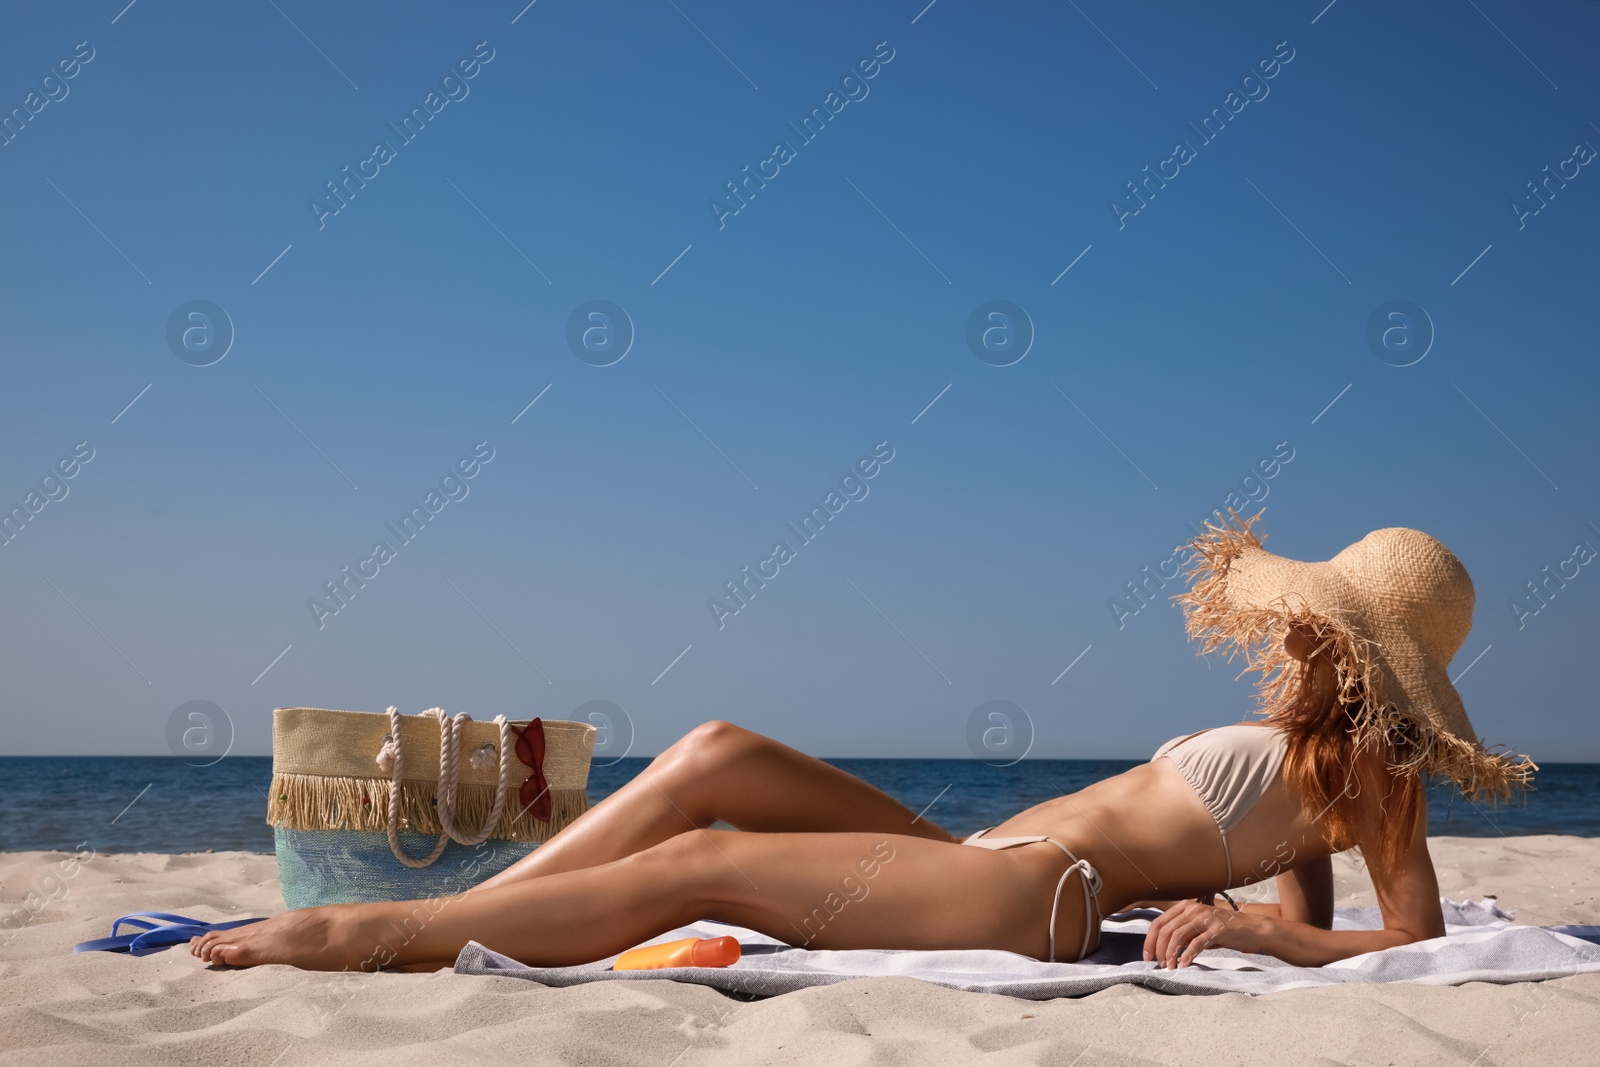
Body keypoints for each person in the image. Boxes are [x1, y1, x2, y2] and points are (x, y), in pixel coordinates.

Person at [192, 512, 1533, 972]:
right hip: (1003, 859)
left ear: (1359, 650)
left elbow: (1405, 941)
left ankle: (383, 939)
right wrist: (1245, 898)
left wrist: (1262, 936)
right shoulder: (1318, 752)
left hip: (1037, 896)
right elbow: (1294, 857)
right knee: (717, 750)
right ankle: (483, 903)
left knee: (703, 859)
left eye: (1322, 623)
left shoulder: (1383, 771)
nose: (1296, 630)